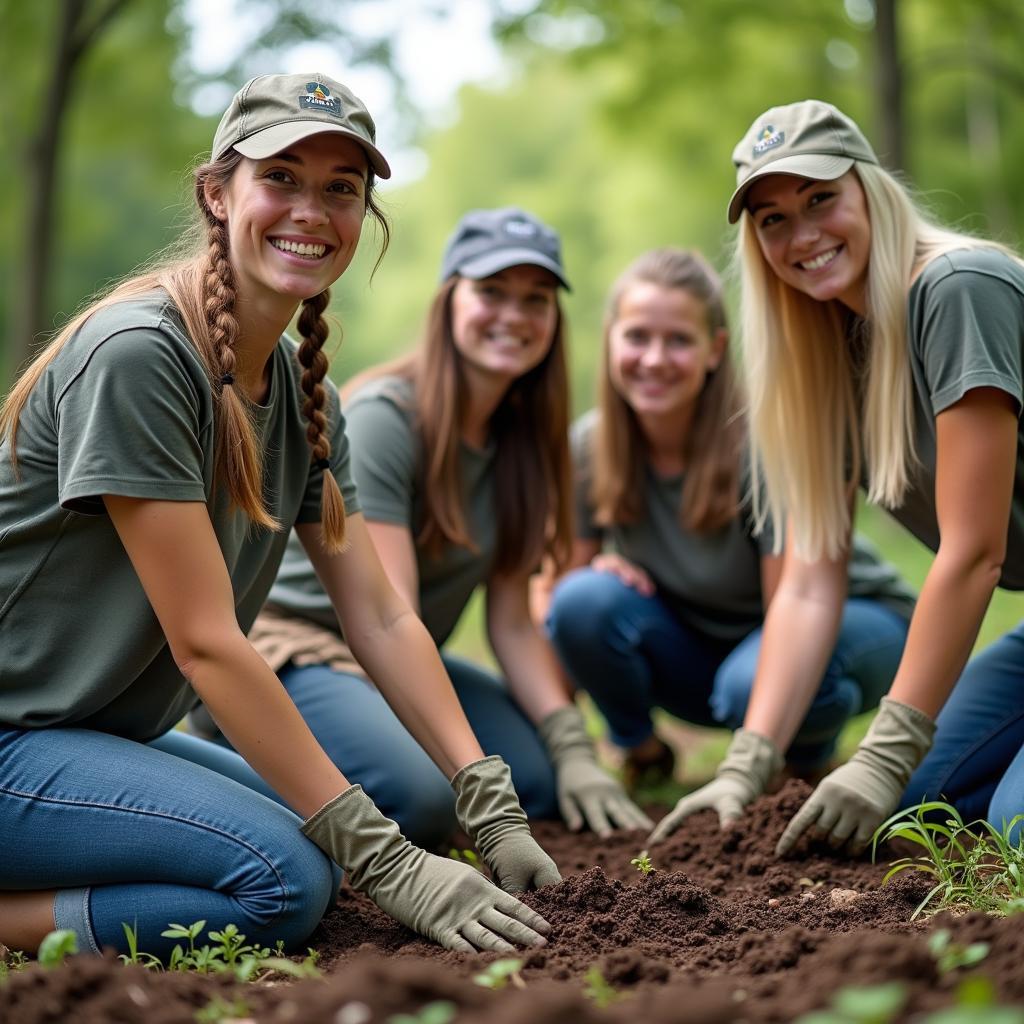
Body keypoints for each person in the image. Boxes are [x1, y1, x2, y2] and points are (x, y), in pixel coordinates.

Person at [0, 73, 560, 962]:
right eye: (283, 178)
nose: (312, 210)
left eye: (341, 188)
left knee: (317, 840)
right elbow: (207, 644)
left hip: (88, 737)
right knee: (286, 882)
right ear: (218, 194)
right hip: (14, 741)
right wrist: (394, 865)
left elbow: (378, 615)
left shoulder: (307, 398)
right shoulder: (140, 356)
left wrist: (487, 802)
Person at [651, 98, 1024, 853]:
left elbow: (973, 553)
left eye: (821, 198)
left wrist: (883, 753)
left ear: (870, 192)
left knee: (1014, 826)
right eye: (773, 219)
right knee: (917, 808)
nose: (803, 234)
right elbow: (810, 582)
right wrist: (745, 766)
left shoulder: (957, 290)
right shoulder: (829, 359)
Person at [237, 207, 651, 847]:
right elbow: (389, 612)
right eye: (491, 292)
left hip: (399, 656)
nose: (513, 315)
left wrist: (572, 746)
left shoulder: (527, 444)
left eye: (535, 300)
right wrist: (474, 785)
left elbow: (512, 620)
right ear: (449, 300)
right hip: (304, 651)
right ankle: (252, 765)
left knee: (538, 781)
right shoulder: (386, 419)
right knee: (426, 801)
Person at [543, 247, 915, 796]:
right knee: (582, 600)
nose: (654, 358)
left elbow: (791, 602)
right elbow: (557, 594)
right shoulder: (588, 447)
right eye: (638, 336)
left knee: (748, 683)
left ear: (715, 349)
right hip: (710, 650)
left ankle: (802, 759)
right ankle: (643, 751)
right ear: (610, 339)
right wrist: (565, 753)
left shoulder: (761, 441)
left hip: (846, 622)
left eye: (678, 340)